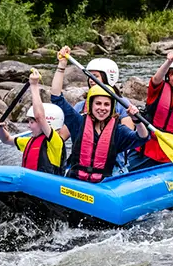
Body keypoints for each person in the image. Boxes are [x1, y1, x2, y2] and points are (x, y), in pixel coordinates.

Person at [51, 50, 149, 183]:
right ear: (90, 106)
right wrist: (61, 66)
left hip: (109, 173)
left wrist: (136, 120)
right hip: (79, 174)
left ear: (112, 108)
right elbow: (57, 98)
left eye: (106, 105)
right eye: (97, 104)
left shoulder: (119, 126)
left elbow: (141, 137)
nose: (102, 108)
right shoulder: (79, 120)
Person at [0, 69, 66, 175]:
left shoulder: (55, 143)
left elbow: (40, 116)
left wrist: (34, 85)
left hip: (47, 187)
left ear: (49, 123)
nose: (28, 126)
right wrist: (0, 128)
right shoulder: (29, 142)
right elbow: (6, 139)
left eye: (32, 122)